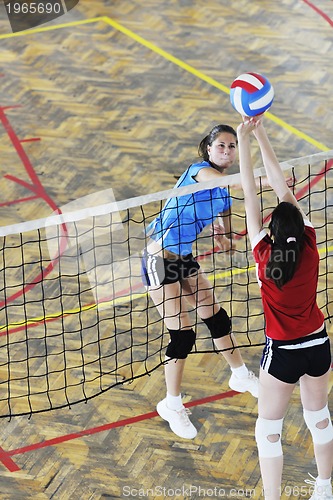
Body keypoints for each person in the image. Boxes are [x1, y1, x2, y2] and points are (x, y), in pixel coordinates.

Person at [142, 124, 259, 440]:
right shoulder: (200, 172)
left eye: (232, 146)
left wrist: (225, 234)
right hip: (157, 258)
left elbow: (224, 217)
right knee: (182, 334)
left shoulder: (221, 190)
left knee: (214, 313)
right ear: (208, 150)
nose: (227, 151)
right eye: (221, 145)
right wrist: (271, 179)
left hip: (182, 258)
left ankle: (239, 374)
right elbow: (237, 183)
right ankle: (171, 404)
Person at [237, 116, 333, 500]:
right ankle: (325, 488)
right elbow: (281, 190)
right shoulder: (310, 245)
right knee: (319, 419)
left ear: (271, 231)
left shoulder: (263, 254)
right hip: (318, 346)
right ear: (299, 225)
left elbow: (250, 192)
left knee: (268, 430)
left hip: (283, 355)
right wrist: (261, 134)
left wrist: (244, 138)